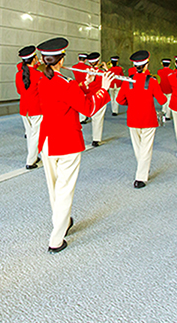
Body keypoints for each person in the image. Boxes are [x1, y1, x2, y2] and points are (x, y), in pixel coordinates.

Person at [36, 37, 113, 253]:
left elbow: (65, 97)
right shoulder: (65, 83)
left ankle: (63, 221)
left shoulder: (44, 80)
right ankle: (56, 239)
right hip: (67, 141)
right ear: (61, 60)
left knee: (55, 189)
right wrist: (103, 88)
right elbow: (88, 108)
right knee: (64, 191)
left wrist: (84, 84)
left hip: (48, 140)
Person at [116, 50, 166, 188]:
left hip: (133, 118)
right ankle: (140, 177)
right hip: (148, 119)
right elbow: (162, 100)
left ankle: (142, 169)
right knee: (146, 148)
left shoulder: (127, 81)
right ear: (146, 65)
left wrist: (131, 102)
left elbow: (119, 100)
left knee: (138, 147)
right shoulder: (152, 81)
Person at [15, 45, 43, 169]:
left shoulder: (18, 74)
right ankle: (31, 161)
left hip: (24, 108)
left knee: (31, 134)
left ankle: (34, 156)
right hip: (36, 108)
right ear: (34, 58)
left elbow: (19, 91)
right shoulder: (39, 75)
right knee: (35, 135)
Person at [86, 52, 108, 147]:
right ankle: (96, 139)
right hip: (100, 96)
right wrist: (106, 68)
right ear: (98, 61)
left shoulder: (86, 71)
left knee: (94, 117)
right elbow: (109, 81)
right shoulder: (102, 73)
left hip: (90, 95)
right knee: (98, 118)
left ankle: (95, 137)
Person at [72, 53, 91, 124]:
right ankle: (83, 118)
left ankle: (82, 117)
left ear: (78, 58)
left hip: (77, 84)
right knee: (84, 101)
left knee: (79, 101)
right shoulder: (87, 67)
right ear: (85, 60)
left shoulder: (74, 66)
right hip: (86, 84)